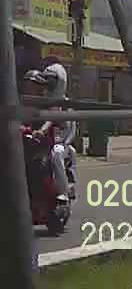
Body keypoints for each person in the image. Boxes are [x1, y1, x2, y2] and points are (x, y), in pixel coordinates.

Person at [23, 65, 76, 202]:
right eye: (46, 80)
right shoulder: (35, 101)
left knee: (55, 154)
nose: (49, 83)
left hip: (57, 142)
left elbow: (53, 119)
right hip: (34, 141)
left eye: (52, 80)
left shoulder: (62, 103)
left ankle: (63, 191)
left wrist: (43, 131)